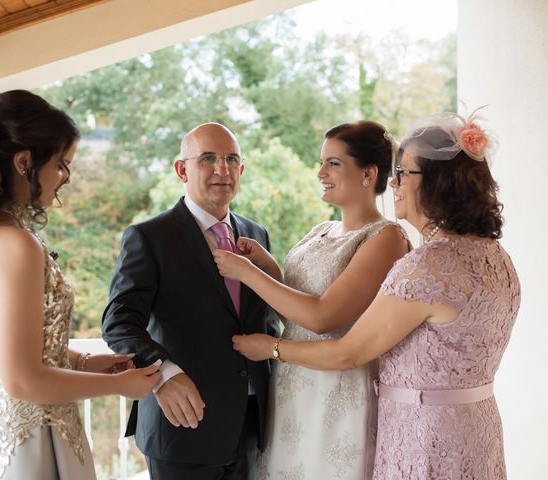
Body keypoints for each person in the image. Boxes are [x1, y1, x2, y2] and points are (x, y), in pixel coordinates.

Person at [220, 110, 520, 479]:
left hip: (423, 436)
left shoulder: (427, 266)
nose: (395, 184)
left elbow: (349, 350)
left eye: (404, 173)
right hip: (477, 428)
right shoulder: (497, 257)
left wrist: (271, 348)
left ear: (439, 182)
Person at [0, 90, 161, 480]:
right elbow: (22, 379)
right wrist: (120, 386)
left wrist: (87, 363)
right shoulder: (17, 244)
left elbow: (11, 346)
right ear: (24, 162)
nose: (65, 179)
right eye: (61, 164)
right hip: (21, 442)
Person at [212, 121, 410, 479]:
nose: (320, 172)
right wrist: (266, 264)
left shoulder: (386, 238)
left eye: (333, 163)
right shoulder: (320, 229)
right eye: (322, 162)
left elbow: (323, 317)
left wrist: (247, 274)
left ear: (368, 173)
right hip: (291, 388)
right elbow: (295, 303)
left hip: (335, 389)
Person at [102, 122, 280, 480]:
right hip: (182, 427)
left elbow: (265, 321)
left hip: (249, 426)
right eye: (208, 159)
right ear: (182, 169)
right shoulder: (150, 236)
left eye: (232, 159)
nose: (222, 169)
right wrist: (163, 374)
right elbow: (119, 323)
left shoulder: (256, 234)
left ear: (242, 169)